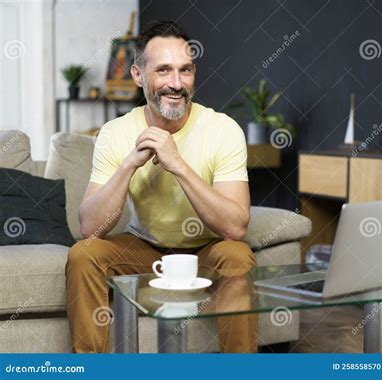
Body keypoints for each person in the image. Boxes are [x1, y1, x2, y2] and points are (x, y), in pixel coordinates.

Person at [65, 20, 257, 353]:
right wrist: (129, 164)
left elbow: (236, 226)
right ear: (138, 75)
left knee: (237, 255)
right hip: (145, 249)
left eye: (185, 70)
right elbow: (89, 227)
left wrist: (178, 165)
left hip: (205, 249)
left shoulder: (223, 130)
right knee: (84, 255)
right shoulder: (114, 132)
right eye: (163, 71)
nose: (176, 83)